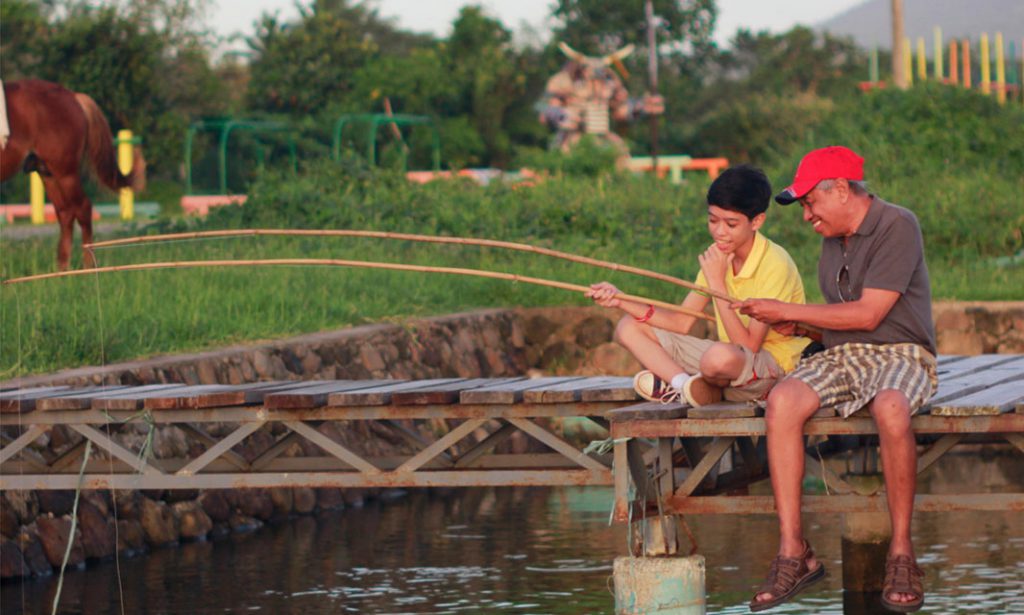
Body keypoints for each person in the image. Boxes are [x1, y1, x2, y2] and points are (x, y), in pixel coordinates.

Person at [736, 146, 936, 612]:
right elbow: (840, 323)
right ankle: (794, 553)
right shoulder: (833, 237)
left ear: (842, 191)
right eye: (804, 206)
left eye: (810, 203)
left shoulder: (898, 224)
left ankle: (902, 551)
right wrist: (801, 327)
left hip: (901, 352)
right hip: (845, 353)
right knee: (782, 400)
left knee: (890, 407)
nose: (807, 215)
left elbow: (869, 314)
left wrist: (785, 309)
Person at [587, 164, 810, 407]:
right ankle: (683, 386)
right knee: (628, 326)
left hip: (773, 366)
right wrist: (621, 300)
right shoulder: (719, 256)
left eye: (731, 224)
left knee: (718, 358)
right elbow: (680, 323)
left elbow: (748, 346)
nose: (719, 232)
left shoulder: (774, 263)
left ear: (757, 221)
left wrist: (716, 282)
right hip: (729, 363)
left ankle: (703, 386)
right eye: (713, 220)